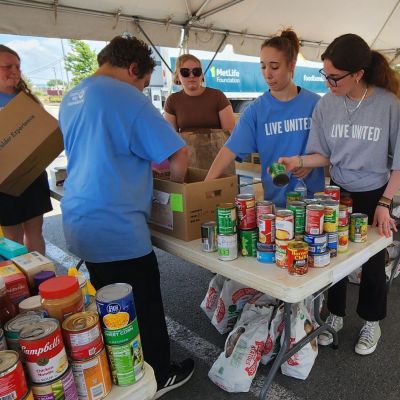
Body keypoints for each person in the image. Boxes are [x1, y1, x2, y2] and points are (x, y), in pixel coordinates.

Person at [59, 36, 193, 398]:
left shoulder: (73, 96)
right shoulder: (125, 96)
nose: (142, 89)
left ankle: (121, 370)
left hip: (78, 219)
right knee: (143, 306)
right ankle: (159, 373)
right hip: (118, 226)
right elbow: (178, 153)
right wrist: (173, 196)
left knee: (108, 304)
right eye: (144, 82)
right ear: (134, 69)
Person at [279, 33, 400, 355]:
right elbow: (325, 156)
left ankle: (371, 322)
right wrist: (299, 161)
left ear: (358, 73)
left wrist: (385, 203)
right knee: (334, 256)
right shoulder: (326, 104)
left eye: (335, 77)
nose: (328, 83)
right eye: (325, 76)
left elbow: (399, 163)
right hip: (338, 192)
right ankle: (334, 316)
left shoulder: (388, 103)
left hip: (376, 193)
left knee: (373, 262)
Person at [205, 29, 325, 207]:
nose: (267, 74)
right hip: (276, 206)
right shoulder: (256, 111)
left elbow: (332, 149)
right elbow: (229, 150)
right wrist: (203, 187)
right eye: (263, 66)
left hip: (315, 206)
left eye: (274, 66)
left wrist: (309, 162)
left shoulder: (315, 104)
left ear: (291, 65)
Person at [0, 45, 52, 255]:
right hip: (4, 181)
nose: (15, 70)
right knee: (12, 237)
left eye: (18, 66)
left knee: (35, 232)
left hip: (32, 175)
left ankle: (40, 277)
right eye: (7, 66)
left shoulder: (28, 98)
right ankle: (20, 284)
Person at [164, 53, 235, 132]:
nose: (191, 76)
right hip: (185, 144)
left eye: (196, 71)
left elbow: (230, 132)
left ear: (201, 75)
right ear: (177, 76)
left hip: (217, 144)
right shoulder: (172, 100)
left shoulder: (218, 96)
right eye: (185, 72)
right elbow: (171, 136)